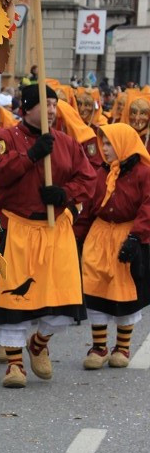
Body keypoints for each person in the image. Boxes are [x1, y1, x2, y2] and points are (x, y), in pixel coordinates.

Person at [0, 83, 97, 388]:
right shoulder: (3, 139)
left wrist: (64, 194)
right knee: (14, 298)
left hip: (54, 229)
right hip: (18, 227)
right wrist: (31, 155)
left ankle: (38, 343)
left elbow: (87, 178)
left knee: (64, 298)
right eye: (43, 104)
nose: (50, 110)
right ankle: (14, 364)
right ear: (26, 108)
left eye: (53, 104)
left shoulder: (67, 143)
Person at [80, 123, 150, 369]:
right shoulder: (101, 171)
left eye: (110, 143)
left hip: (126, 233)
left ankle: (122, 346)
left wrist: (136, 236)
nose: (105, 149)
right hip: (99, 234)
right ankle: (99, 347)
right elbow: (88, 205)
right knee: (95, 285)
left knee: (123, 290)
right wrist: (76, 236)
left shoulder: (143, 173)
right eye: (104, 143)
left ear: (123, 143)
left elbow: (148, 206)